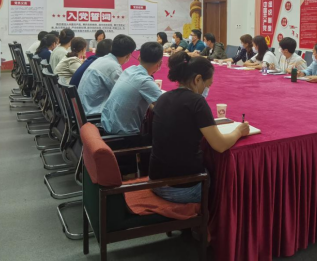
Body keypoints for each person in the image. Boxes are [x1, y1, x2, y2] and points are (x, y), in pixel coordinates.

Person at [149, 52, 250, 204]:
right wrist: (239, 131)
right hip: (182, 189)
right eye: (207, 85)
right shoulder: (196, 101)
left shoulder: (163, 97)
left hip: (155, 181)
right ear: (197, 79)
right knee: (225, 182)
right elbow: (220, 145)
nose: (207, 89)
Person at [100, 42, 164, 135]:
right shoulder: (145, 81)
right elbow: (166, 108)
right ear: (160, 64)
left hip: (106, 125)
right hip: (123, 136)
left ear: (139, 57)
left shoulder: (130, 70)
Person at [78, 35, 136, 115]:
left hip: (83, 110)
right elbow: (123, 95)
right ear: (129, 55)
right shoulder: (113, 67)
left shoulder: (102, 59)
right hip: (93, 114)